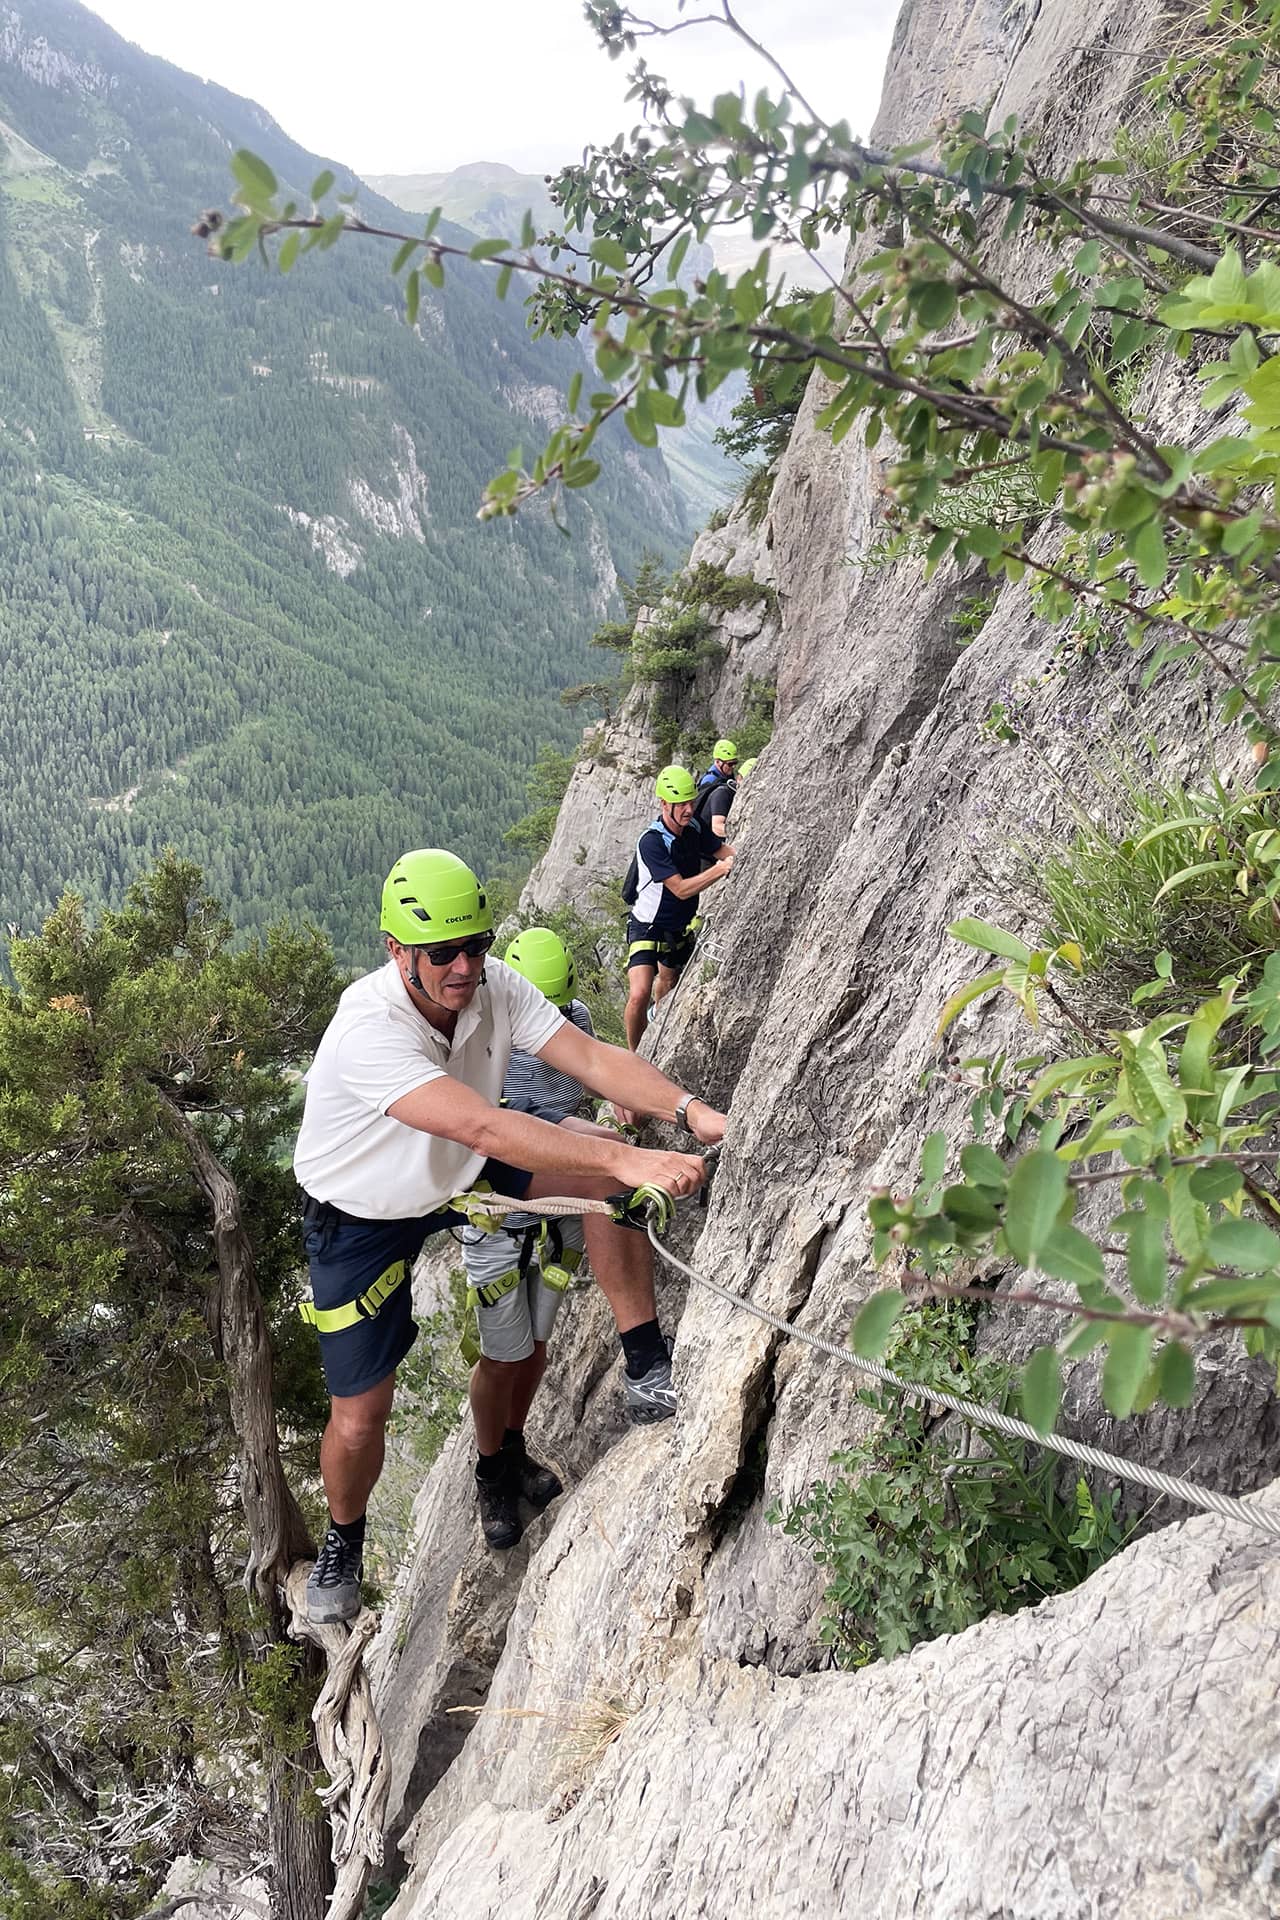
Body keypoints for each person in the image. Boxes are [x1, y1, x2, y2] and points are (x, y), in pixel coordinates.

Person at [293, 848, 727, 1623]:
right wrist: (629, 1152)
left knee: (608, 1188)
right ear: (396, 952)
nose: (464, 967)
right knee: (361, 1415)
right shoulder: (368, 1028)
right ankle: (344, 1539)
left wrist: (690, 1112)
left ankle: (641, 1366)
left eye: (477, 944)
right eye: (443, 953)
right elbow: (484, 1120)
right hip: (360, 1213)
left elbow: (590, 1057)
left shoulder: (493, 988)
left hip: (459, 1168)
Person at [458, 925, 594, 1549]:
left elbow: (583, 1079)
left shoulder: (574, 1021)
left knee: (535, 1342)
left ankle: (512, 1449)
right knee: (500, 1354)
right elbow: (501, 1129)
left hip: (556, 1214)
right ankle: (491, 1472)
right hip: (498, 1215)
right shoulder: (486, 1041)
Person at [624, 766, 734, 1051]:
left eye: (690, 801)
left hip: (677, 926)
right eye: (681, 804)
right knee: (638, 994)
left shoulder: (694, 828)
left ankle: (657, 1028)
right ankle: (634, 1056)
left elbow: (722, 851)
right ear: (664, 804)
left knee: (669, 982)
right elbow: (680, 888)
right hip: (648, 925)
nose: (688, 809)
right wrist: (720, 870)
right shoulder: (652, 842)